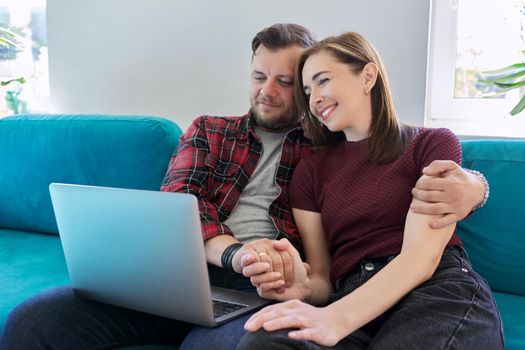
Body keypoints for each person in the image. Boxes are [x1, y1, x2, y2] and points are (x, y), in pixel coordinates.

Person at [0, 25, 489, 350]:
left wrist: (475, 184)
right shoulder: (213, 131)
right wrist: (247, 260)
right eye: (259, 76)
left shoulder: (316, 151)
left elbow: (359, 268)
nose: (270, 91)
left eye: (292, 81)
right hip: (179, 272)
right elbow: (181, 206)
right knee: (32, 323)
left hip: (264, 292)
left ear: (367, 76)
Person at [236, 32, 503, 350]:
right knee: (266, 340)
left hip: (434, 290)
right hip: (350, 294)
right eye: (307, 91)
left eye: (323, 81)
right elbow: (323, 275)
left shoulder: (431, 143)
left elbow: (422, 256)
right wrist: (303, 289)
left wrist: (336, 318)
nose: (314, 98)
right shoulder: (310, 171)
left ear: (368, 76)